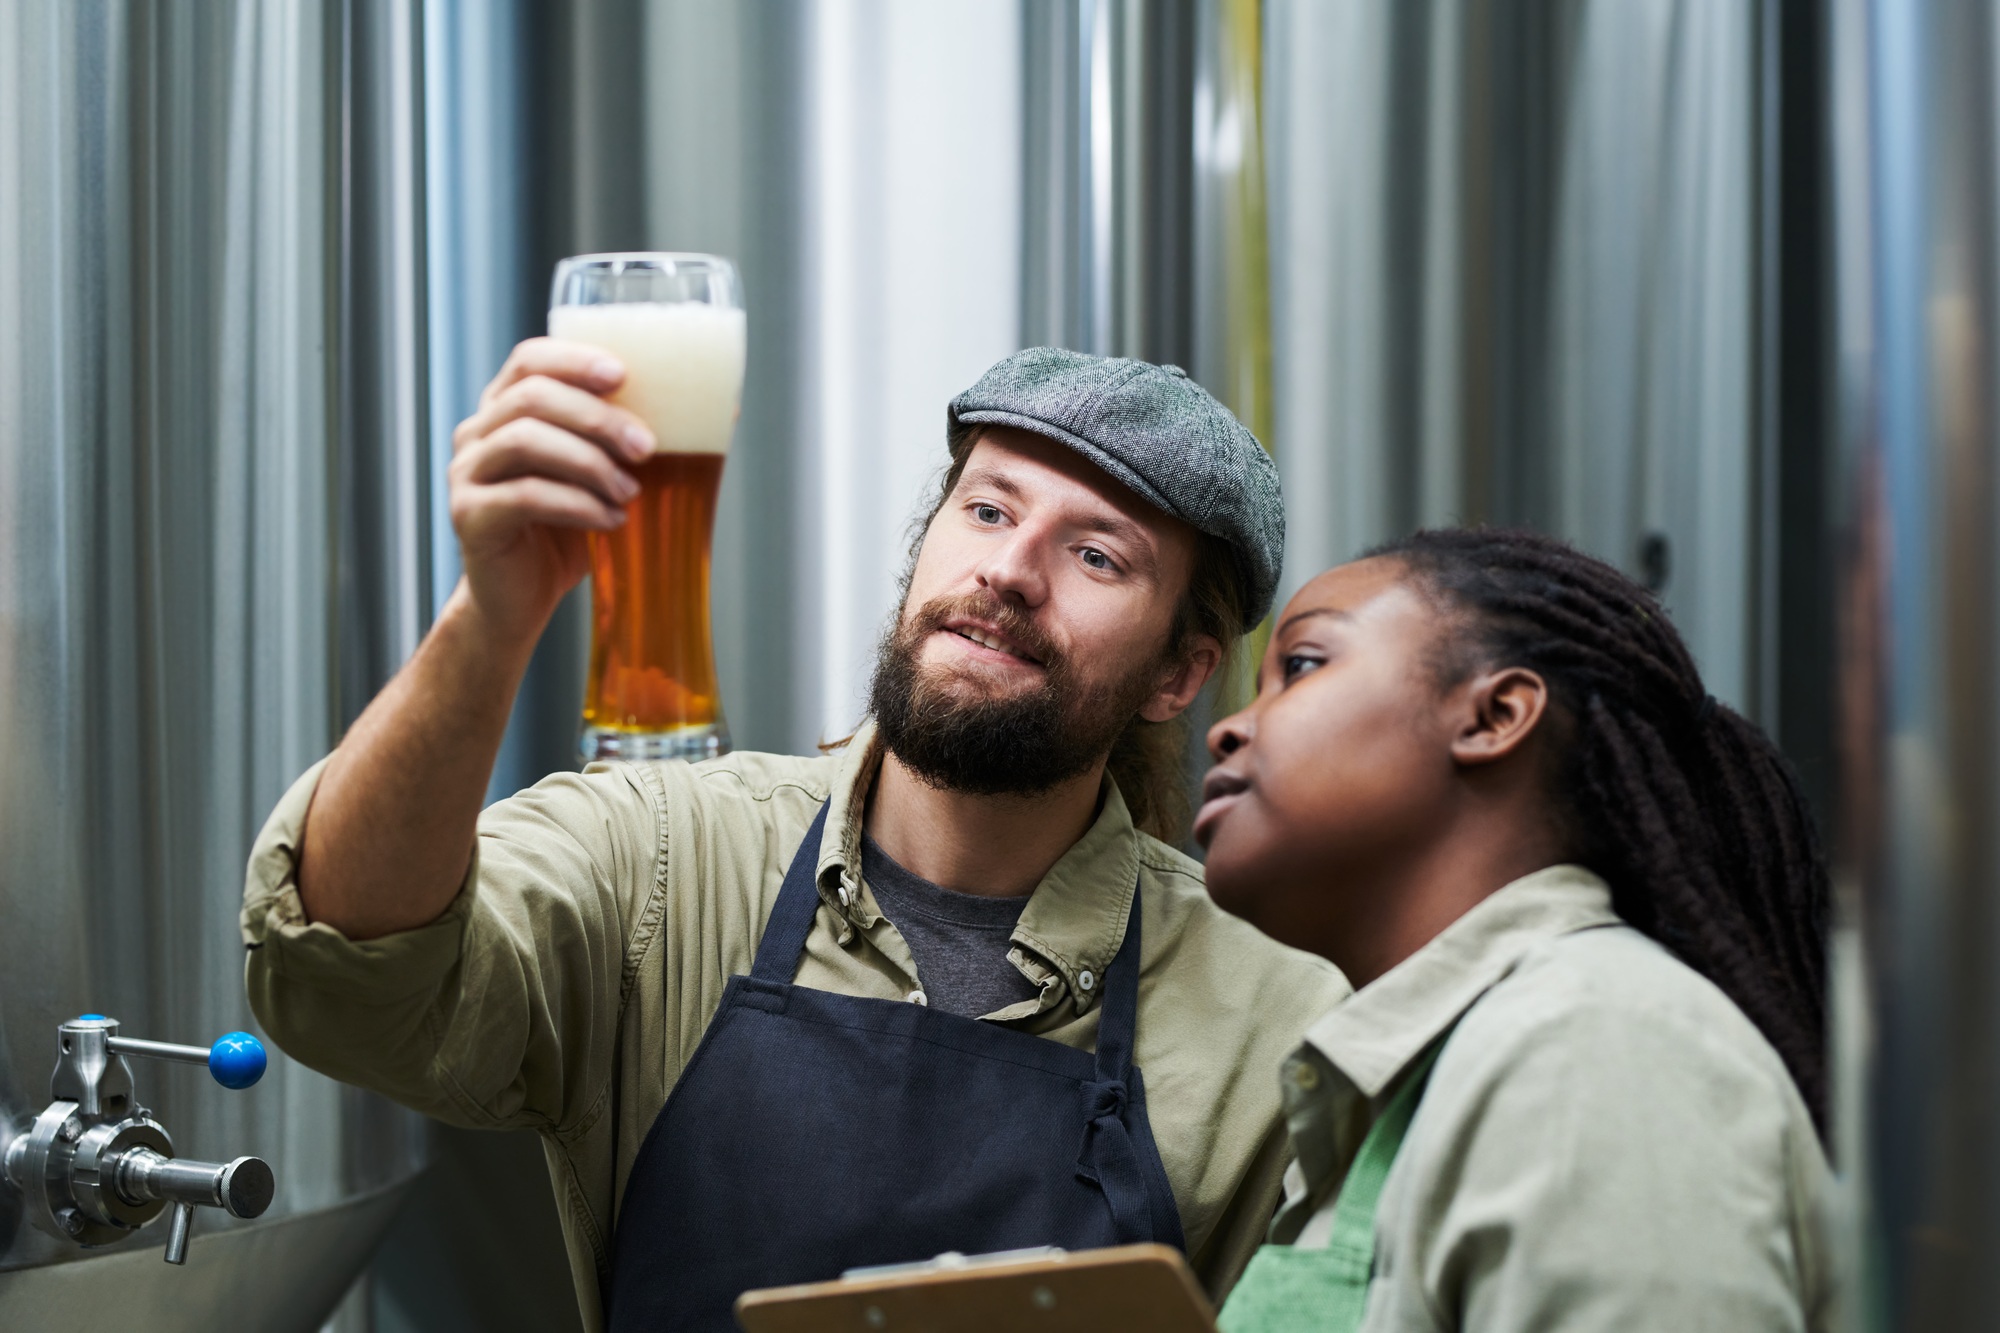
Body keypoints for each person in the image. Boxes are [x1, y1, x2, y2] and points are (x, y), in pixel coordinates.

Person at [240, 343, 1347, 1332]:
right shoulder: (665, 854)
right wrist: (492, 612)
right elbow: (342, 978)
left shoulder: (1274, 1014)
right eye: (989, 511)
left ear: (1177, 674)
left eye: (1095, 555)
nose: (1008, 571)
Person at [1195, 528, 1833, 1332]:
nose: (1229, 728)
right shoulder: (1434, 1084)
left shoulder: (1592, 1044)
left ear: (1495, 714)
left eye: (1304, 665)